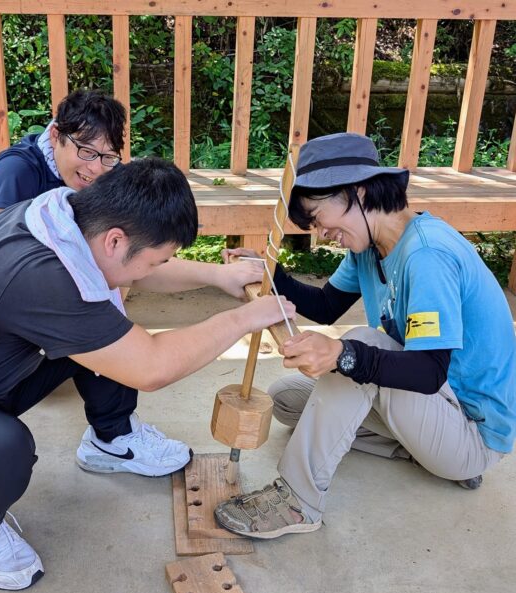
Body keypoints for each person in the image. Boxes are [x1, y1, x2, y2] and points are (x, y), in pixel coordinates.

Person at [0, 158, 295, 589]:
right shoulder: (39, 275)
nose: (153, 269)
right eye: (155, 259)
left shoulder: (63, 219)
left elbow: (136, 273)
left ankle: (111, 440)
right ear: (115, 240)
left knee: (108, 325)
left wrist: (220, 277)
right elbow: (152, 366)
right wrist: (241, 320)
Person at [215, 132, 516, 539]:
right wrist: (270, 273)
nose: (319, 232)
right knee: (288, 400)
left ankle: (297, 502)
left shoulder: (426, 255)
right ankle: (415, 453)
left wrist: (343, 355)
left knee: (362, 348)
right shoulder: (369, 248)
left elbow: (428, 372)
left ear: (356, 191)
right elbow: (324, 306)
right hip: (429, 414)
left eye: (317, 216)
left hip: (470, 433)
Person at [0, 89, 264, 478]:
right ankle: (113, 436)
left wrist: (219, 276)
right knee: (101, 315)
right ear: (56, 136)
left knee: (104, 303)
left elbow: (132, 263)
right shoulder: (19, 168)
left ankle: (113, 434)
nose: (94, 168)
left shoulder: (92, 185)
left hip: (35, 314)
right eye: (86, 151)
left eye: (107, 157)